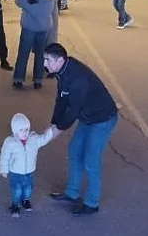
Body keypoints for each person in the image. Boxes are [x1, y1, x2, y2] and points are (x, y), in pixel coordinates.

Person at [43, 43, 119, 215]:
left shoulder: (78, 79)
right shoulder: (61, 72)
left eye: (47, 60)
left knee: (90, 160)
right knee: (75, 150)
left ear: (60, 60)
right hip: (87, 116)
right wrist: (54, 123)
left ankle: (92, 203)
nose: (44, 64)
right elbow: (61, 100)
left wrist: (58, 130)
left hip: (102, 119)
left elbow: (73, 110)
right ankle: (72, 193)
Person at [0, 112, 56, 218]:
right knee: (17, 190)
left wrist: (50, 131)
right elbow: (4, 157)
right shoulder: (10, 142)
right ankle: (15, 205)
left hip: (29, 171)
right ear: (15, 131)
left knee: (28, 188)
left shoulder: (33, 139)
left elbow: (43, 139)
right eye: (21, 130)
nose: (25, 133)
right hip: (15, 172)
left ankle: (26, 201)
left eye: (26, 129)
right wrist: (4, 170)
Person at [12, 0, 56, 90]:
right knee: (40, 53)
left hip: (29, 26)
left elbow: (18, 2)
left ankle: (18, 78)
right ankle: (38, 79)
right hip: (43, 27)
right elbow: (48, 9)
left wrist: (28, 8)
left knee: (23, 52)